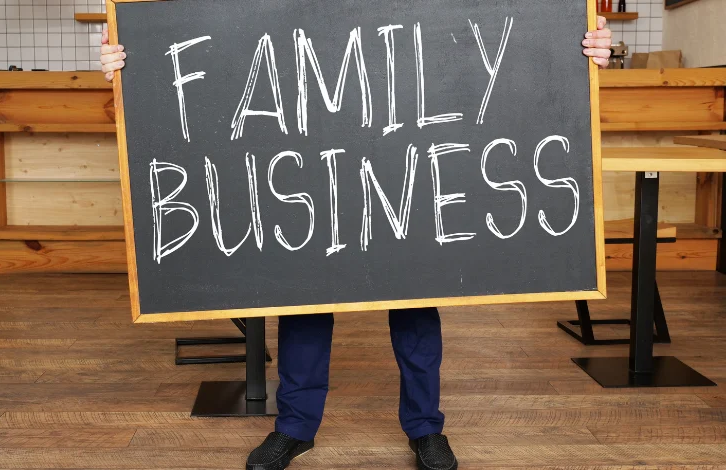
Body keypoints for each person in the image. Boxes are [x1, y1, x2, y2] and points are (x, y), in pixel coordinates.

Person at [101, 17, 612, 470]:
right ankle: (294, 429)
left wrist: (584, 48)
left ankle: (425, 428)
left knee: (415, 302)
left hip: (399, 162)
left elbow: (506, 32)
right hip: (310, 162)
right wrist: (131, 57)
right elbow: (213, 38)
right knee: (304, 301)